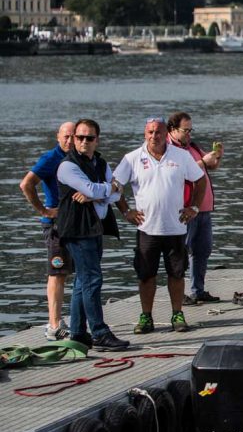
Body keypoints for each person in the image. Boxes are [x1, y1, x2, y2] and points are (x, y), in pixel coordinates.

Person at [113, 116, 206, 334]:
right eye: (150, 132)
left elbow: (200, 180)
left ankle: (177, 314)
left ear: (167, 134)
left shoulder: (181, 156)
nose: (154, 136)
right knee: (146, 275)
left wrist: (194, 207)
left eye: (159, 132)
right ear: (145, 134)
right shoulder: (132, 158)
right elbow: (116, 185)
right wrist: (126, 211)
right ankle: (146, 317)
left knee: (177, 274)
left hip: (176, 227)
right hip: (147, 228)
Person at [55, 119, 130, 350]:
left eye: (89, 138)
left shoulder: (100, 162)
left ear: (97, 140)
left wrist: (100, 192)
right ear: (73, 139)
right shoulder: (67, 166)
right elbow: (97, 188)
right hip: (77, 229)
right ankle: (99, 332)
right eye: (79, 137)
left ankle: (78, 333)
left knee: (82, 281)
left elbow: (116, 195)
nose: (84, 142)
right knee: (92, 280)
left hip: (95, 227)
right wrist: (105, 189)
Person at [19, 121, 75, 341]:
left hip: (73, 222)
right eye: (66, 136)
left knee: (69, 273)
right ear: (58, 137)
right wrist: (43, 209)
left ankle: (68, 320)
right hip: (55, 225)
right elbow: (26, 184)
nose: (70, 141)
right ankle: (53, 325)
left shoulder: (77, 158)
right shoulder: (50, 158)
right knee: (57, 272)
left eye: (74, 136)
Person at [167, 111, 224, 305]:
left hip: (203, 208)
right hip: (185, 209)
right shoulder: (168, 150)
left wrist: (216, 159)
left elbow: (208, 168)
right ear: (173, 130)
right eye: (185, 130)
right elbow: (178, 174)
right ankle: (179, 293)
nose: (189, 134)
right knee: (181, 252)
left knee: (203, 249)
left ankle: (197, 290)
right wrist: (203, 162)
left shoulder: (191, 146)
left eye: (191, 130)